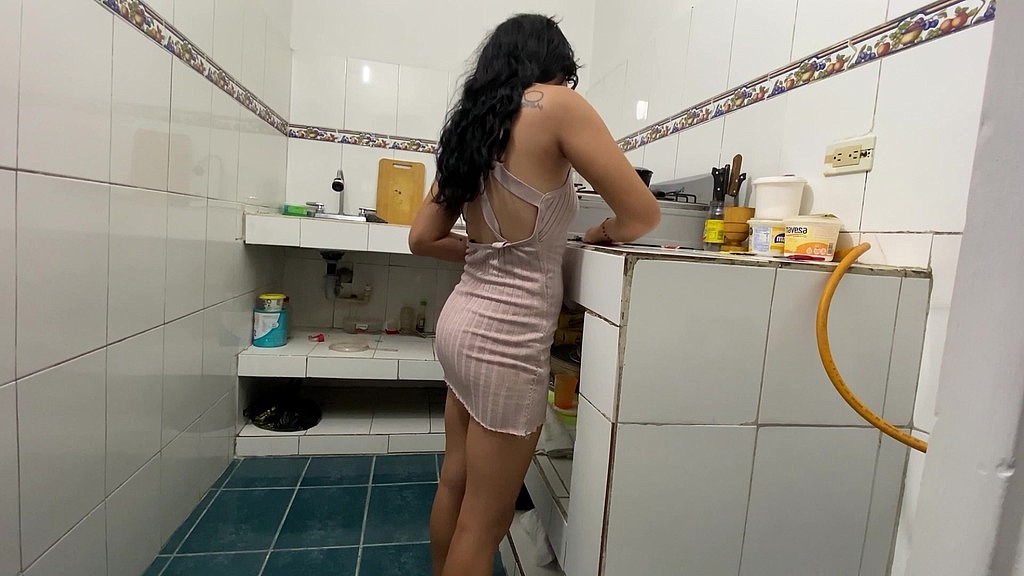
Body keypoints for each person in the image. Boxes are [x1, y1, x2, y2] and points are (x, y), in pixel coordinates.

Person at [409, 13, 660, 576]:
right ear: (552, 63)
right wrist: (599, 233)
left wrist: (486, 251)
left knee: (454, 482)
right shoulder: (556, 105)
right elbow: (642, 214)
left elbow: (422, 237)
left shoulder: (472, 127)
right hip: (507, 340)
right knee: (484, 523)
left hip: (460, 325)